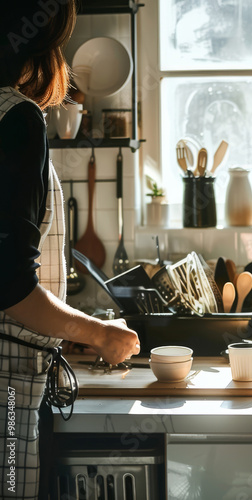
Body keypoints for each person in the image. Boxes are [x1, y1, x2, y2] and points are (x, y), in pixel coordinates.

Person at [0, 2, 141, 499]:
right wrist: (99, 333)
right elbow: (9, 286)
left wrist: (61, 329)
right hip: (8, 387)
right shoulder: (16, 119)